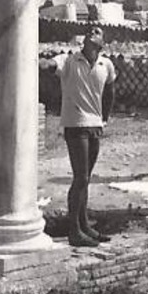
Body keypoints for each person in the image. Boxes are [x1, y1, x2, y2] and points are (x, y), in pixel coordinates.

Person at [54, 26, 117, 247]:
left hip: (94, 124)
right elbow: (51, 65)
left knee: (86, 179)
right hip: (75, 124)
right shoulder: (70, 60)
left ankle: (84, 225)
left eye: (97, 31)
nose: (92, 31)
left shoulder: (105, 64)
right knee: (80, 177)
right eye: (90, 30)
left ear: (102, 42)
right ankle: (74, 230)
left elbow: (110, 91)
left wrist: (104, 117)